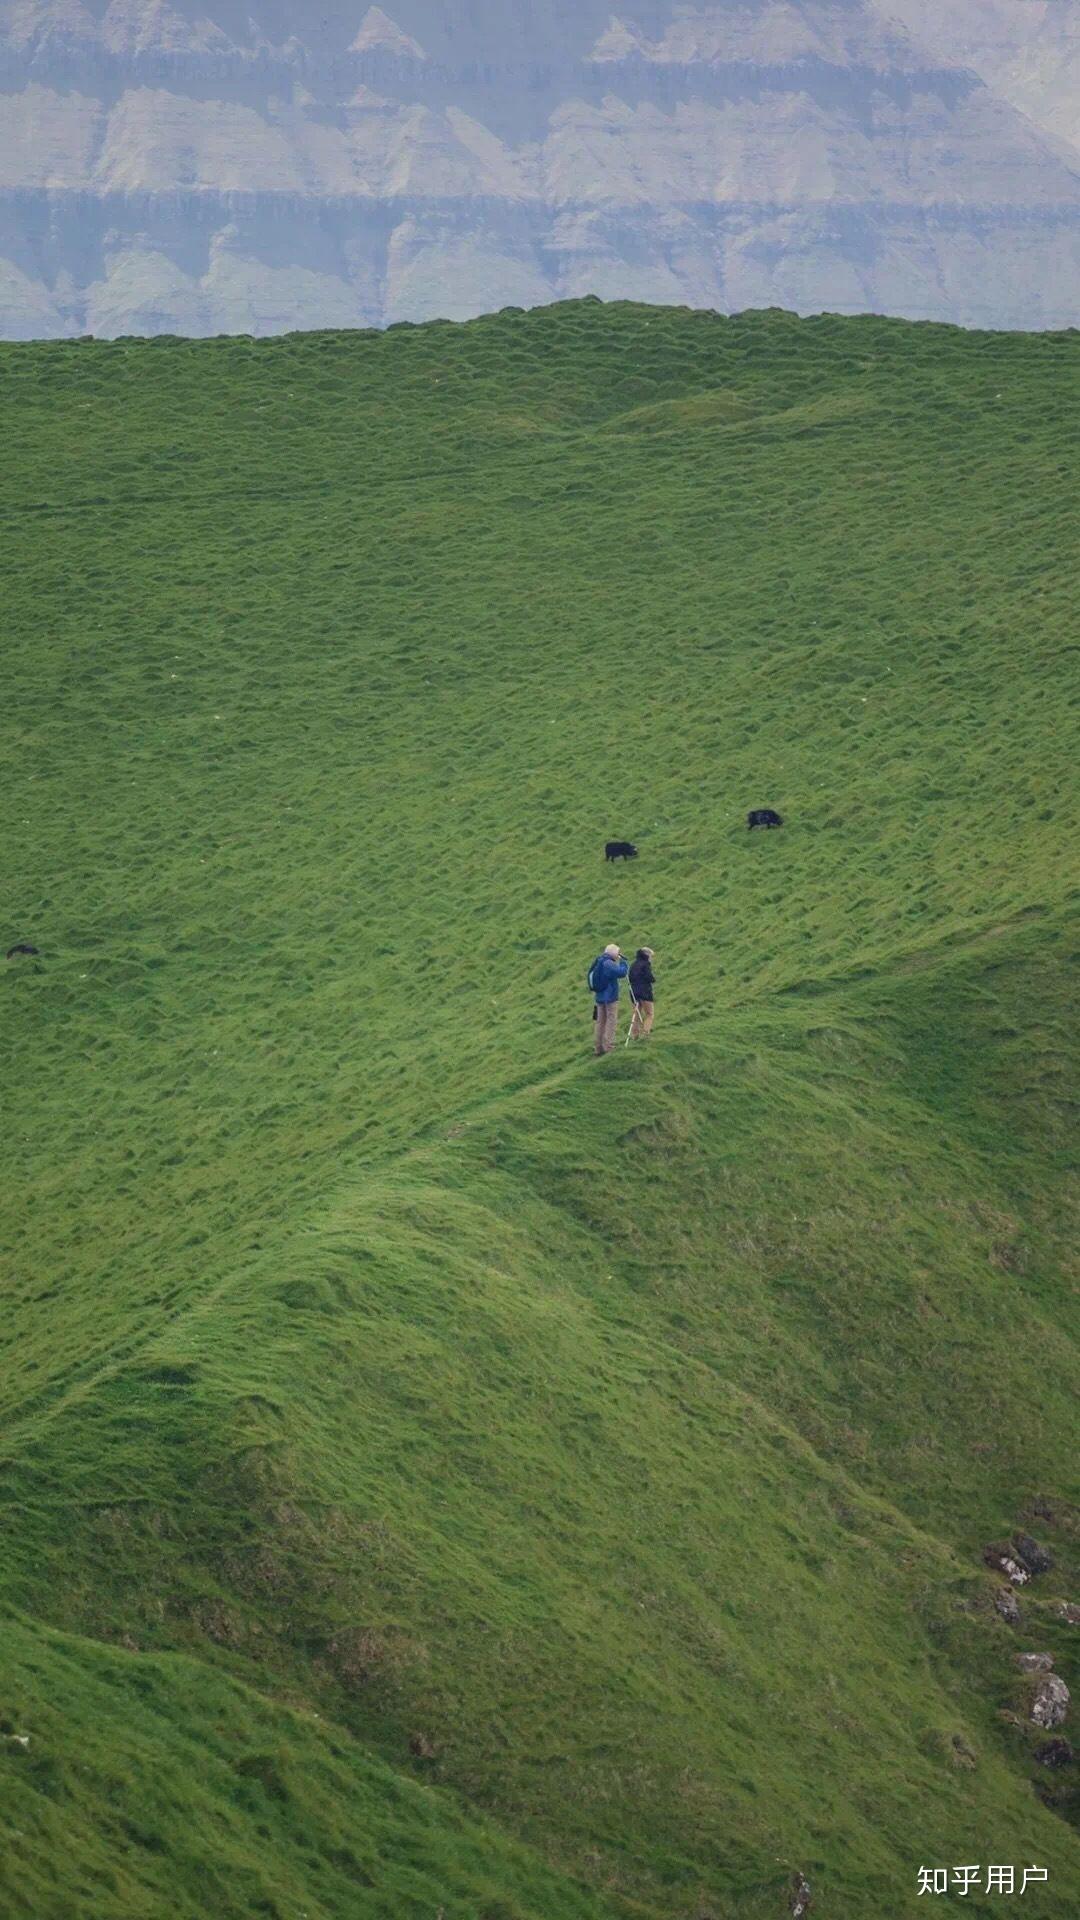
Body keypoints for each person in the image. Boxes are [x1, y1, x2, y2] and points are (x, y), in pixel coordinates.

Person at [590, 942, 628, 1055]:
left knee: (600, 1022)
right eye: (618, 953)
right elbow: (622, 973)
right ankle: (608, 1046)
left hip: (599, 997)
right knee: (611, 1021)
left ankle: (598, 1047)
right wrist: (624, 963)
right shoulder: (609, 964)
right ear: (614, 953)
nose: (619, 955)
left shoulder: (599, 961)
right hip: (610, 997)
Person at [628, 947, 655, 1038]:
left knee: (636, 1013)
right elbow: (649, 977)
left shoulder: (633, 964)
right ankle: (645, 1033)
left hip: (634, 992)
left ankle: (634, 1035)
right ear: (647, 955)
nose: (651, 958)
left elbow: (630, 978)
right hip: (645, 992)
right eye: (651, 956)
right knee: (649, 1013)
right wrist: (653, 979)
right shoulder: (646, 964)